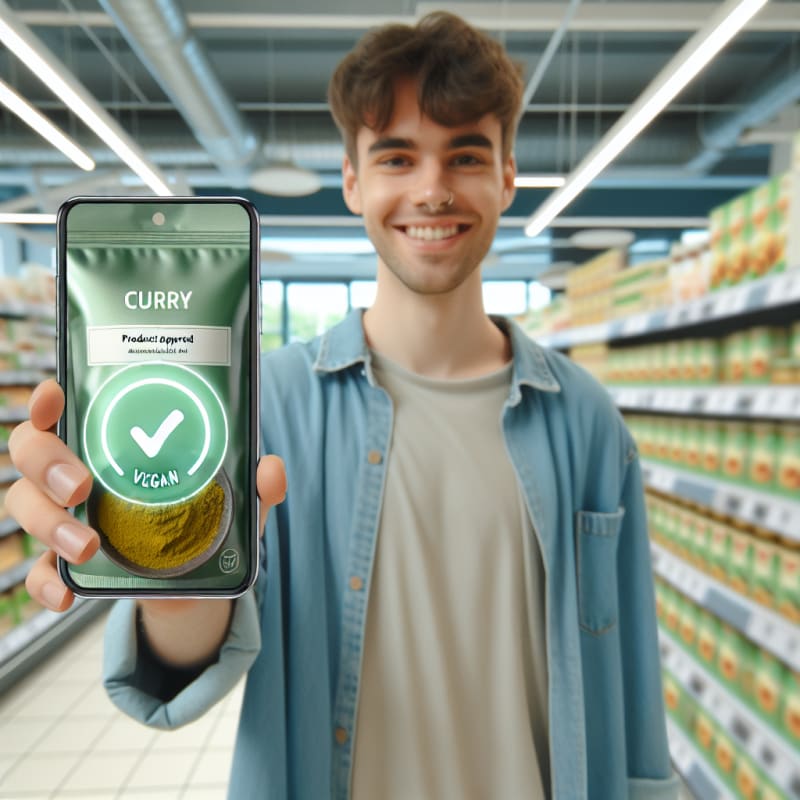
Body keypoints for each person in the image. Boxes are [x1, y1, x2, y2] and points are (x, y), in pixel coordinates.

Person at [7, 11, 679, 800]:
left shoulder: (587, 422)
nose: (432, 189)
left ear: (505, 177)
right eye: (397, 156)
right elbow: (180, 661)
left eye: (465, 155)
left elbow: (631, 687)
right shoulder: (266, 410)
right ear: (354, 181)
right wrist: (168, 573)